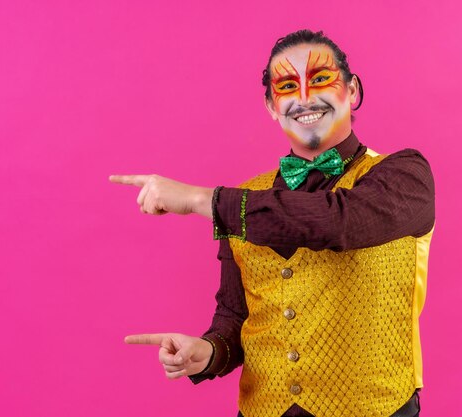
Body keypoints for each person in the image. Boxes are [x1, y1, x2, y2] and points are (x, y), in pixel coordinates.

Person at [110, 29, 434, 417]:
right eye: (285, 86)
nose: (303, 98)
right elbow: (235, 318)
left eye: (319, 79)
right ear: (270, 105)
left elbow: (338, 222)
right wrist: (209, 351)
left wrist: (203, 199)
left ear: (353, 90)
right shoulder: (245, 199)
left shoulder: (404, 175)